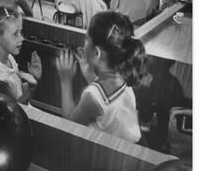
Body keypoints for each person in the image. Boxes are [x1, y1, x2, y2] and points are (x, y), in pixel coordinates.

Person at [55, 11, 147, 142]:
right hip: (129, 149)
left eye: (86, 39)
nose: (84, 42)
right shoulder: (123, 75)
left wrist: (66, 79)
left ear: (96, 53)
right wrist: (90, 75)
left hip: (107, 157)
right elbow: (106, 100)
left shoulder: (91, 97)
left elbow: (70, 125)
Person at [0, 5, 42, 104]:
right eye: (15, 34)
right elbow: (15, 111)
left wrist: (34, 78)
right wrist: (32, 88)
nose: (22, 38)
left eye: (20, 33)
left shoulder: (8, 58)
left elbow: (17, 90)